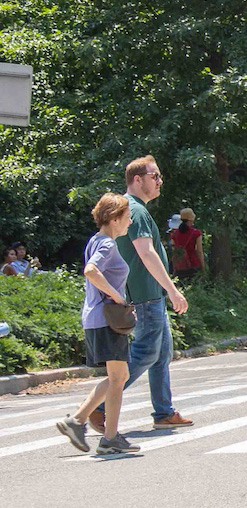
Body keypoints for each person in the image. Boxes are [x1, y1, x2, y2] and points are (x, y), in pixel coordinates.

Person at [56, 194, 140, 455]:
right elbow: (91, 271)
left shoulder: (95, 241)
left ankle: (79, 421)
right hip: (107, 319)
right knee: (118, 378)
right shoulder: (107, 245)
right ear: (114, 219)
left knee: (119, 377)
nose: (129, 223)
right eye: (127, 218)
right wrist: (117, 297)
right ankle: (109, 437)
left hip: (95, 318)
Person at [114, 155, 191, 430]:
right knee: (147, 353)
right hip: (147, 294)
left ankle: (164, 412)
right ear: (138, 180)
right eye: (154, 176)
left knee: (161, 355)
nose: (160, 181)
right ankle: (99, 406)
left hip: (149, 293)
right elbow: (146, 253)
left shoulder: (133, 208)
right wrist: (173, 291)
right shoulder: (135, 210)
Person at [168, 208, 204, 280]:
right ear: (192, 219)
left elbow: (174, 250)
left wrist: (175, 268)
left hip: (180, 267)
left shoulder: (174, 234)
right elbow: (199, 251)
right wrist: (203, 268)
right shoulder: (196, 233)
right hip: (194, 265)